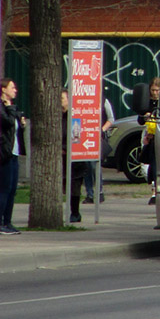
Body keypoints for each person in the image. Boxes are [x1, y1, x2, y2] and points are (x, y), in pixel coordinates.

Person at [0, 79, 26, 235]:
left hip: (14, 152)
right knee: (4, 188)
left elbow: (15, 129)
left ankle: (8, 221)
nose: (15, 90)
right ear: (3, 89)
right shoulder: (1, 107)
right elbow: (7, 122)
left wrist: (21, 122)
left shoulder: (11, 108)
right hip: (5, 153)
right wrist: (11, 109)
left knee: (13, 189)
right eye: (12, 87)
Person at [61, 90, 85, 222]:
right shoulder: (57, 117)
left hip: (74, 159)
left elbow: (76, 137)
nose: (60, 102)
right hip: (61, 158)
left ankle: (75, 212)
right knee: (64, 185)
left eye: (62, 98)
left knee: (74, 186)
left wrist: (65, 149)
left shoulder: (74, 117)